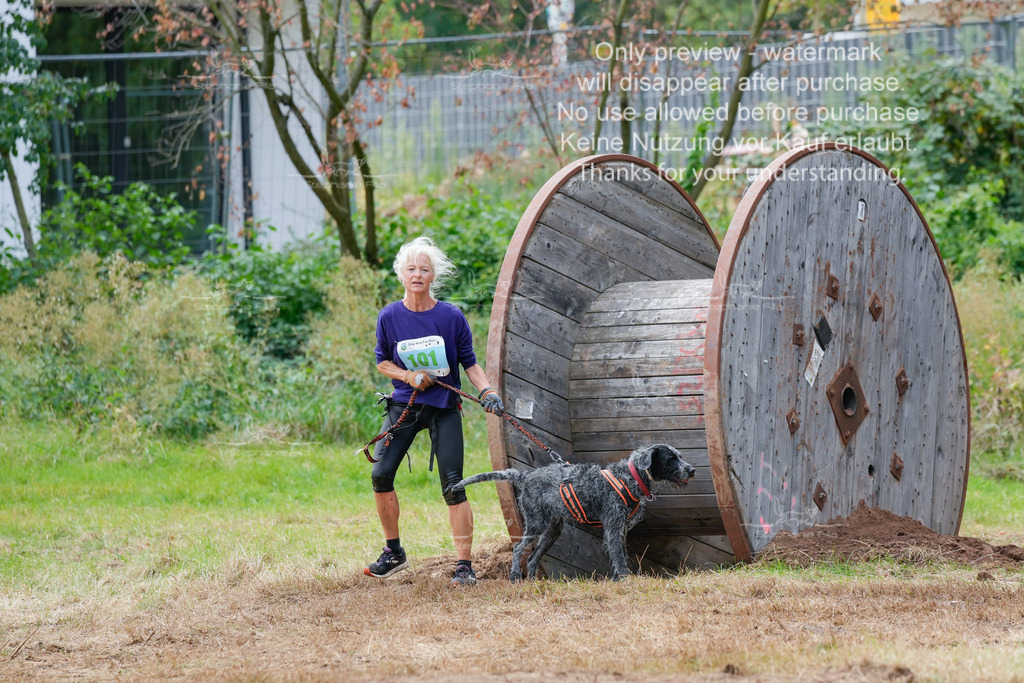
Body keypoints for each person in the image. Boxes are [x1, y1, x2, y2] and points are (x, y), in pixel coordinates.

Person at [365, 235, 504, 586]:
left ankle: (464, 567)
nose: (417, 274)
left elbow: (470, 364)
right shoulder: (390, 316)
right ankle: (393, 552)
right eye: (410, 268)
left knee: (454, 485)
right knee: (380, 474)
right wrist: (407, 375)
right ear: (401, 275)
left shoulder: (450, 317)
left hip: (444, 406)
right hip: (404, 405)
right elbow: (382, 362)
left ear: (432, 276)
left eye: (424, 269)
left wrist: (487, 390)